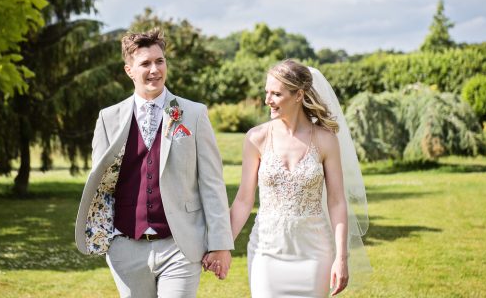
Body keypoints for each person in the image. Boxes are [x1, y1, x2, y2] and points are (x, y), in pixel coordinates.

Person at [74, 29, 234, 297]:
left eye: (160, 61)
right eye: (145, 63)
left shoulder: (193, 114)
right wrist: (108, 239)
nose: (154, 70)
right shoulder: (108, 118)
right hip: (125, 247)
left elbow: (212, 184)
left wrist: (220, 243)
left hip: (180, 245)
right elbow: (101, 186)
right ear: (129, 70)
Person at [218, 59, 369, 297]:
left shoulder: (325, 139)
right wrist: (221, 245)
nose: (268, 100)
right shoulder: (256, 138)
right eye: (267, 92)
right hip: (266, 251)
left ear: (298, 95)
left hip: (314, 252)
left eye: (276, 94)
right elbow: (244, 201)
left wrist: (341, 258)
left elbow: (337, 201)